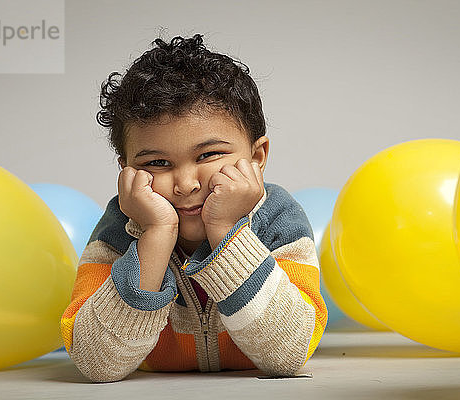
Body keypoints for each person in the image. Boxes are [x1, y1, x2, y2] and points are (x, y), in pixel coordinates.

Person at [60, 33, 327, 383]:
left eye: (209, 155)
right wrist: (155, 235)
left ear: (257, 157)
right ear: (125, 170)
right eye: (157, 162)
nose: (186, 183)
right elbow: (98, 364)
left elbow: (289, 354)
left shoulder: (278, 219)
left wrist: (224, 231)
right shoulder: (119, 228)